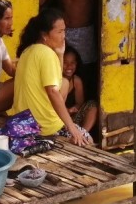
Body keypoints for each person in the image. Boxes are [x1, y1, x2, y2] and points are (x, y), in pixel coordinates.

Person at [11, 8, 90, 147]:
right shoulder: (47, 54)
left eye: (64, 30)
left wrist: (60, 54)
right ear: (44, 35)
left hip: (24, 123)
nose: (63, 36)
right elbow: (53, 91)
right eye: (59, 32)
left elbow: (57, 82)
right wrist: (72, 128)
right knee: (87, 139)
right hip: (44, 127)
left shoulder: (28, 51)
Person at [39, 0, 99, 93]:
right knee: (59, 67)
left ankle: (83, 103)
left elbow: (104, 3)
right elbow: (40, 1)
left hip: (84, 30)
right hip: (63, 31)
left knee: (85, 68)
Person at [59, 45, 98, 135]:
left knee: (92, 105)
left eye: (72, 62)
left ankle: (82, 134)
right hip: (58, 119)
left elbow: (80, 104)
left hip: (73, 119)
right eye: (65, 62)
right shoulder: (54, 81)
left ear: (77, 64)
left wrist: (74, 109)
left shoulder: (76, 80)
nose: (69, 66)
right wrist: (67, 111)